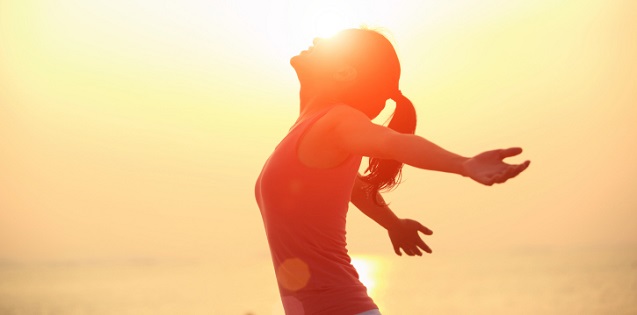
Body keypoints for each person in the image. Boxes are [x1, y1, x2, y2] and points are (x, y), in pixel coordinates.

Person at [254, 28, 530, 315]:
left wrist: (462, 164)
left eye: (332, 44)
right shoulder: (309, 127)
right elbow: (351, 187)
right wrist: (393, 224)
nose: (318, 40)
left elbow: (392, 142)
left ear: (345, 72)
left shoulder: (339, 120)